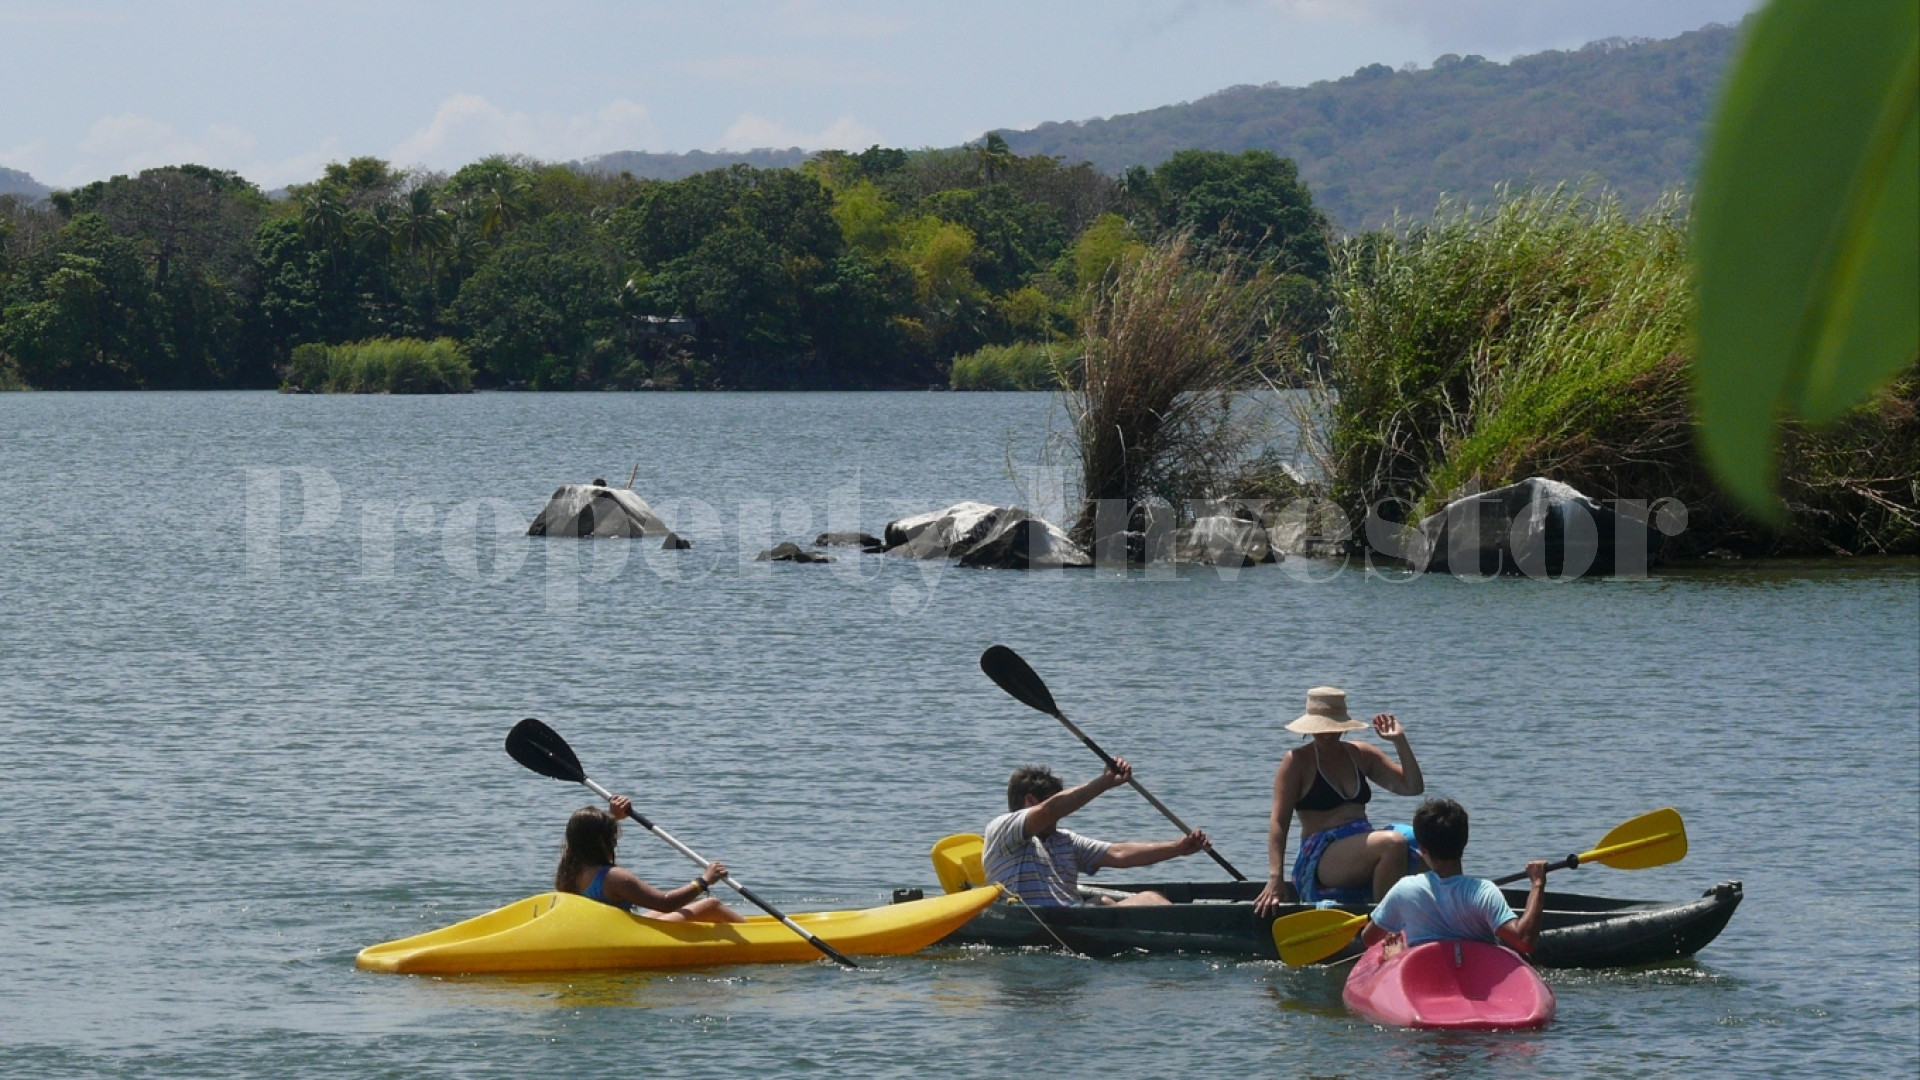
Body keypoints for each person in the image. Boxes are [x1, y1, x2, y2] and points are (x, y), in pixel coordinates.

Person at [1253, 686, 1426, 915]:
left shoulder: (1360, 753)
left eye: (1333, 727)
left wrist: (1399, 741)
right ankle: (1384, 926)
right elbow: (1278, 822)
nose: (1327, 733)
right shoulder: (1297, 761)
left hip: (1361, 844)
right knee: (1392, 843)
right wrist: (1276, 878)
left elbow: (1412, 787)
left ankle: (1434, 914)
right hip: (1322, 854)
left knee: (1425, 837)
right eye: (1321, 727)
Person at [982, 760, 1210, 907]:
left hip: (1075, 921)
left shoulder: (1064, 840)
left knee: (1130, 900)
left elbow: (1119, 853)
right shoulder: (1003, 829)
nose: (1061, 815)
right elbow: (1049, 809)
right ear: (1030, 801)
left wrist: (1178, 848)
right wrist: (1104, 782)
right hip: (1045, 927)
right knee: (1134, 900)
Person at [1363, 798, 1547, 954]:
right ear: (1465, 841)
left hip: (1423, 975)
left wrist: (1397, 939)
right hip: (1478, 978)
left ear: (1423, 849)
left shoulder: (1404, 889)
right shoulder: (1484, 892)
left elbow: (1369, 938)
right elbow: (1524, 941)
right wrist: (1537, 883)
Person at [554, 796, 744, 922]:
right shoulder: (613, 877)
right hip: (626, 937)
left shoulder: (568, 870)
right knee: (712, 905)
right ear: (603, 840)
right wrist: (704, 881)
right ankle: (762, 939)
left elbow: (588, 834)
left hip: (603, 932)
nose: (615, 842)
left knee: (684, 908)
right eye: (613, 836)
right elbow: (665, 903)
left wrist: (613, 816)